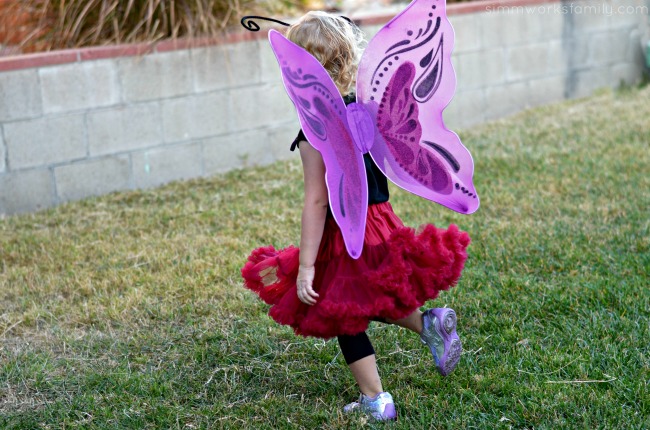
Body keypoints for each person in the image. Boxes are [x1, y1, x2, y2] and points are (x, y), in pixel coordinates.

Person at [241, 11, 470, 422]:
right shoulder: (370, 111)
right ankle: (428, 325)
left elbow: (317, 201)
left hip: (345, 230)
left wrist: (307, 265)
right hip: (380, 221)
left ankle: (375, 399)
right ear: (349, 60)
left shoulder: (315, 133)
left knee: (342, 309)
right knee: (365, 297)